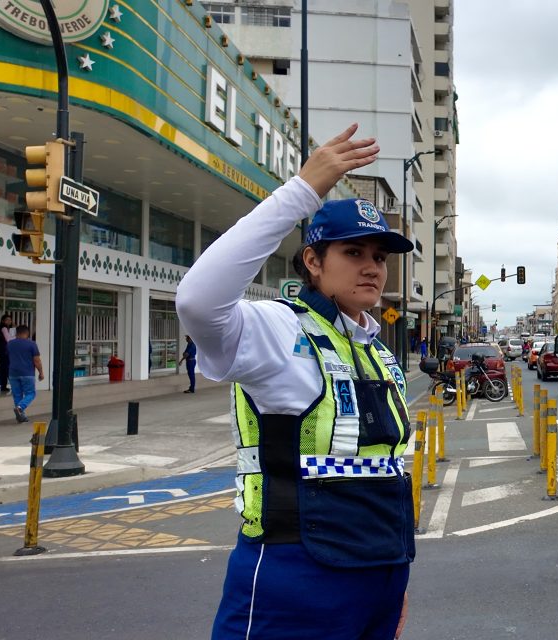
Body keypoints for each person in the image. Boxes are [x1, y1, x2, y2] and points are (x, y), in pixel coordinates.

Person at [175, 124, 413, 639]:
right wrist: (301, 190)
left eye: (379, 257)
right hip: (295, 583)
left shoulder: (374, 347)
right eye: (353, 253)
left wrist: (394, 581)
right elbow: (197, 300)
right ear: (312, 261)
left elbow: (384, 467)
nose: (372, 267)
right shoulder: (278, 329)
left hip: (379, 577)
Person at [5, 325, 42, 423]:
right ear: (27, 333)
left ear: (17, 333)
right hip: (27, 373)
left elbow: (7, 357)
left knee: (17, 395)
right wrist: (41, 372)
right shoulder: (32, 344)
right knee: (31, 393)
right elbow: (37, 360)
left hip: (13, 373)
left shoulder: (10, 344)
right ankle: (20, 408)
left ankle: (21, 416)